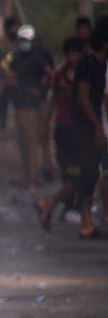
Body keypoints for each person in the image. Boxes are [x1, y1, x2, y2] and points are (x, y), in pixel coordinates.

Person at [36, 38, 85, 232]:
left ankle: (57, 206)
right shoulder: (58, 75)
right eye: (71, 52)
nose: (75, 56)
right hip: (64, 129)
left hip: (82, 129)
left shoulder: (87, 74)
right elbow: (51, 101)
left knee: (82, 172)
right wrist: (44, 126)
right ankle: (64, 206)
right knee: (71, 172)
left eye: (77, 52)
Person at [70, 26, 107, 238]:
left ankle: (87, 220)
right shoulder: (88, 63)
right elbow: (83, 99)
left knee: (92, 173)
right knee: (88, 172)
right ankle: (85, 221)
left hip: (95, 124)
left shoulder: (102, 65)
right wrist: (97, 126)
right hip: (84, 124)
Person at [7, 25, 53, 188]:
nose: (24, 43)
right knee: (23, 141)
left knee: (32, 141)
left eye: (26, 40)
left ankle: (34, 176)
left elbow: (50, 74)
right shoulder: (17, 57)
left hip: (32, 106)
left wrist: (42, 91)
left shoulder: (36, 57)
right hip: (19, 103)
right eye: (21, 40)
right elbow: (10, 74)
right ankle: (29, 173)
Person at [0, 16, 21, 135]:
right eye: (13, 27)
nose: (15, 29)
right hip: (3, 79)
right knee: (2, 105)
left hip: (18, 79)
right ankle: (2, 129)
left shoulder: (20, 43)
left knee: (19, 105)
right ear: (7, 29)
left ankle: (20, 128)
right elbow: (1, 63)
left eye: (17, 27)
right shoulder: (2, 44)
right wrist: (7, 76)